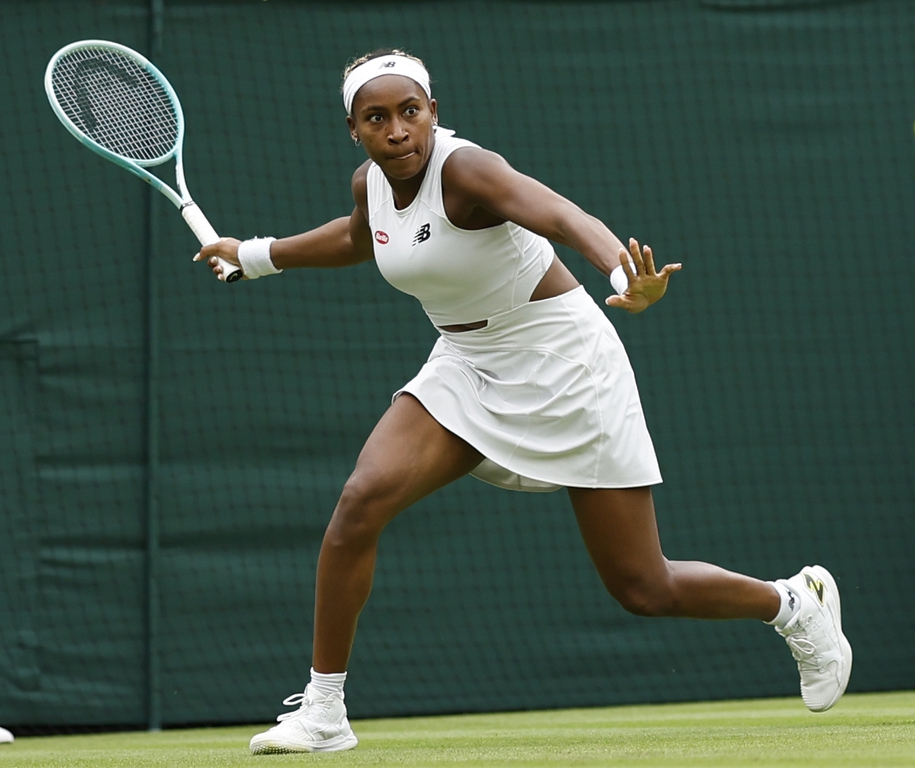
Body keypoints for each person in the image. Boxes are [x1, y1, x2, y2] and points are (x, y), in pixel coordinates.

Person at [197, 49, 852, 755]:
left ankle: (791, 605)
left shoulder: (469, 169)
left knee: (642, 586)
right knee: (362, 500)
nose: (396, 131)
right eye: (376, 118)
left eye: (409, 112)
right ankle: (324, 710)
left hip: (564, 362)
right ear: (352, 129)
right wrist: (258, 254)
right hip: (466, 360)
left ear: (434, 113)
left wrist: (623, 271)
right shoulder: (370, 185)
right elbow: (361, 237)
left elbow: (560, 214)